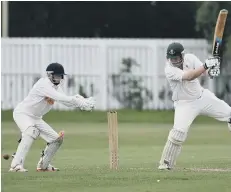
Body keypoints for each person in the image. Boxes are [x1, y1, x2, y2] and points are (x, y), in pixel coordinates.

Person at [9, 63, 95, 172]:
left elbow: (66, 102)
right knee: (31, 131)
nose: (58, 78)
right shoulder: (43, 84)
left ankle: (43, 166)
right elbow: (59, 97)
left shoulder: (56, 87)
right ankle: (16, 166)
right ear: (49, 75)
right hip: (23, 113)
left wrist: (80, 102)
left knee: (56, 139)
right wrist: (77, 99)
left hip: (36, 117)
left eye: (60, 76)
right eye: (56, 76)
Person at [158, 42, 231, 170]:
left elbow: (205, 72)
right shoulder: (169, 69)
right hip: (184, 104)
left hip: (202, 97)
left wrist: (212, 70)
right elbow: (190, 76)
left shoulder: (190, 58)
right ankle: (166, 163)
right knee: (178, 133)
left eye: (176, 58)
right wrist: (206, 65)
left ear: (182, 55)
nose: (174, 61)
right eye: (171, 58)